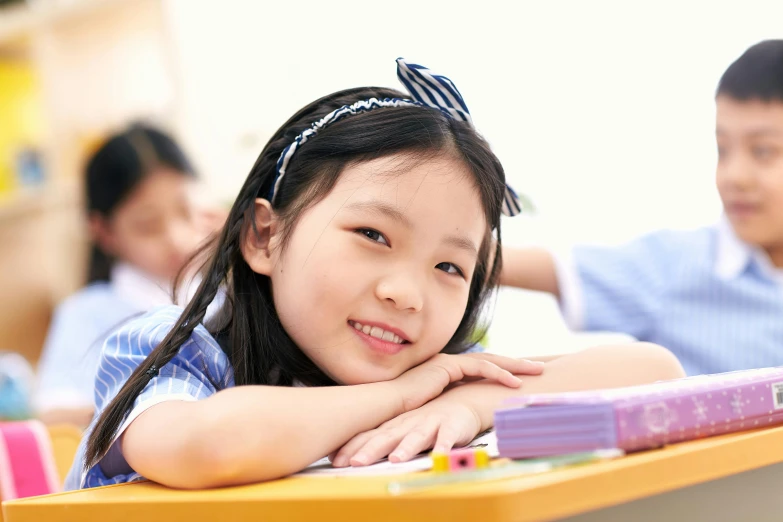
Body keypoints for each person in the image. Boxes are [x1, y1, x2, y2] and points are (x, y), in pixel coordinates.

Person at [65, 59, 684, 491]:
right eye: (373, 236)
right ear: (264, 234)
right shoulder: (176, 347)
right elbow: (209, 445)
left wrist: (478, 399)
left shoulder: (432, 370)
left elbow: (654, 371)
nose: (406, 292)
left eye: (449, 266)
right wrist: (402, 397)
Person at [501, 40, 783, 376]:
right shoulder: (676, 266)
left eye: (763, 151)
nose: (734, 176)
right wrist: (444, 253)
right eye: (722, 149)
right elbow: (544, 267)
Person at [35, 124, 220, 427]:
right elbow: (53, 414)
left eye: (186, 211)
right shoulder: (85, 313)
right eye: (148, 226)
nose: (176, 237)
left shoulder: (228, 296)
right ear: (103, 232)